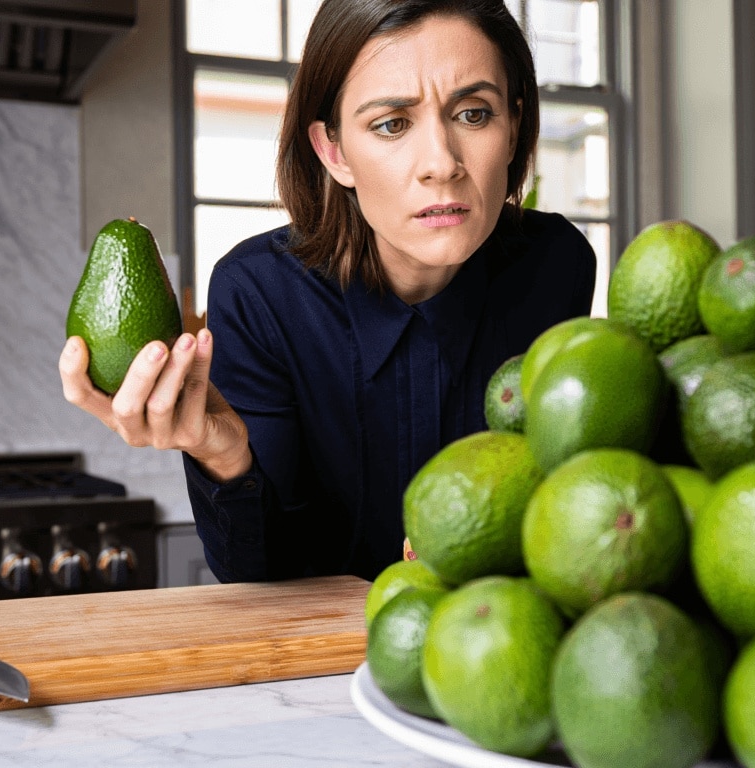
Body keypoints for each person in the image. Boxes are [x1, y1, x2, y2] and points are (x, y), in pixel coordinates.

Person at [59, 0, 596, 583]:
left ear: (513, 126)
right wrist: (222, 454)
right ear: (333, 151)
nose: (442, 164)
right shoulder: (259, 294)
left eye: (473, 113)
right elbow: (257, 576)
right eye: (391, 124)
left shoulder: (558, 266)